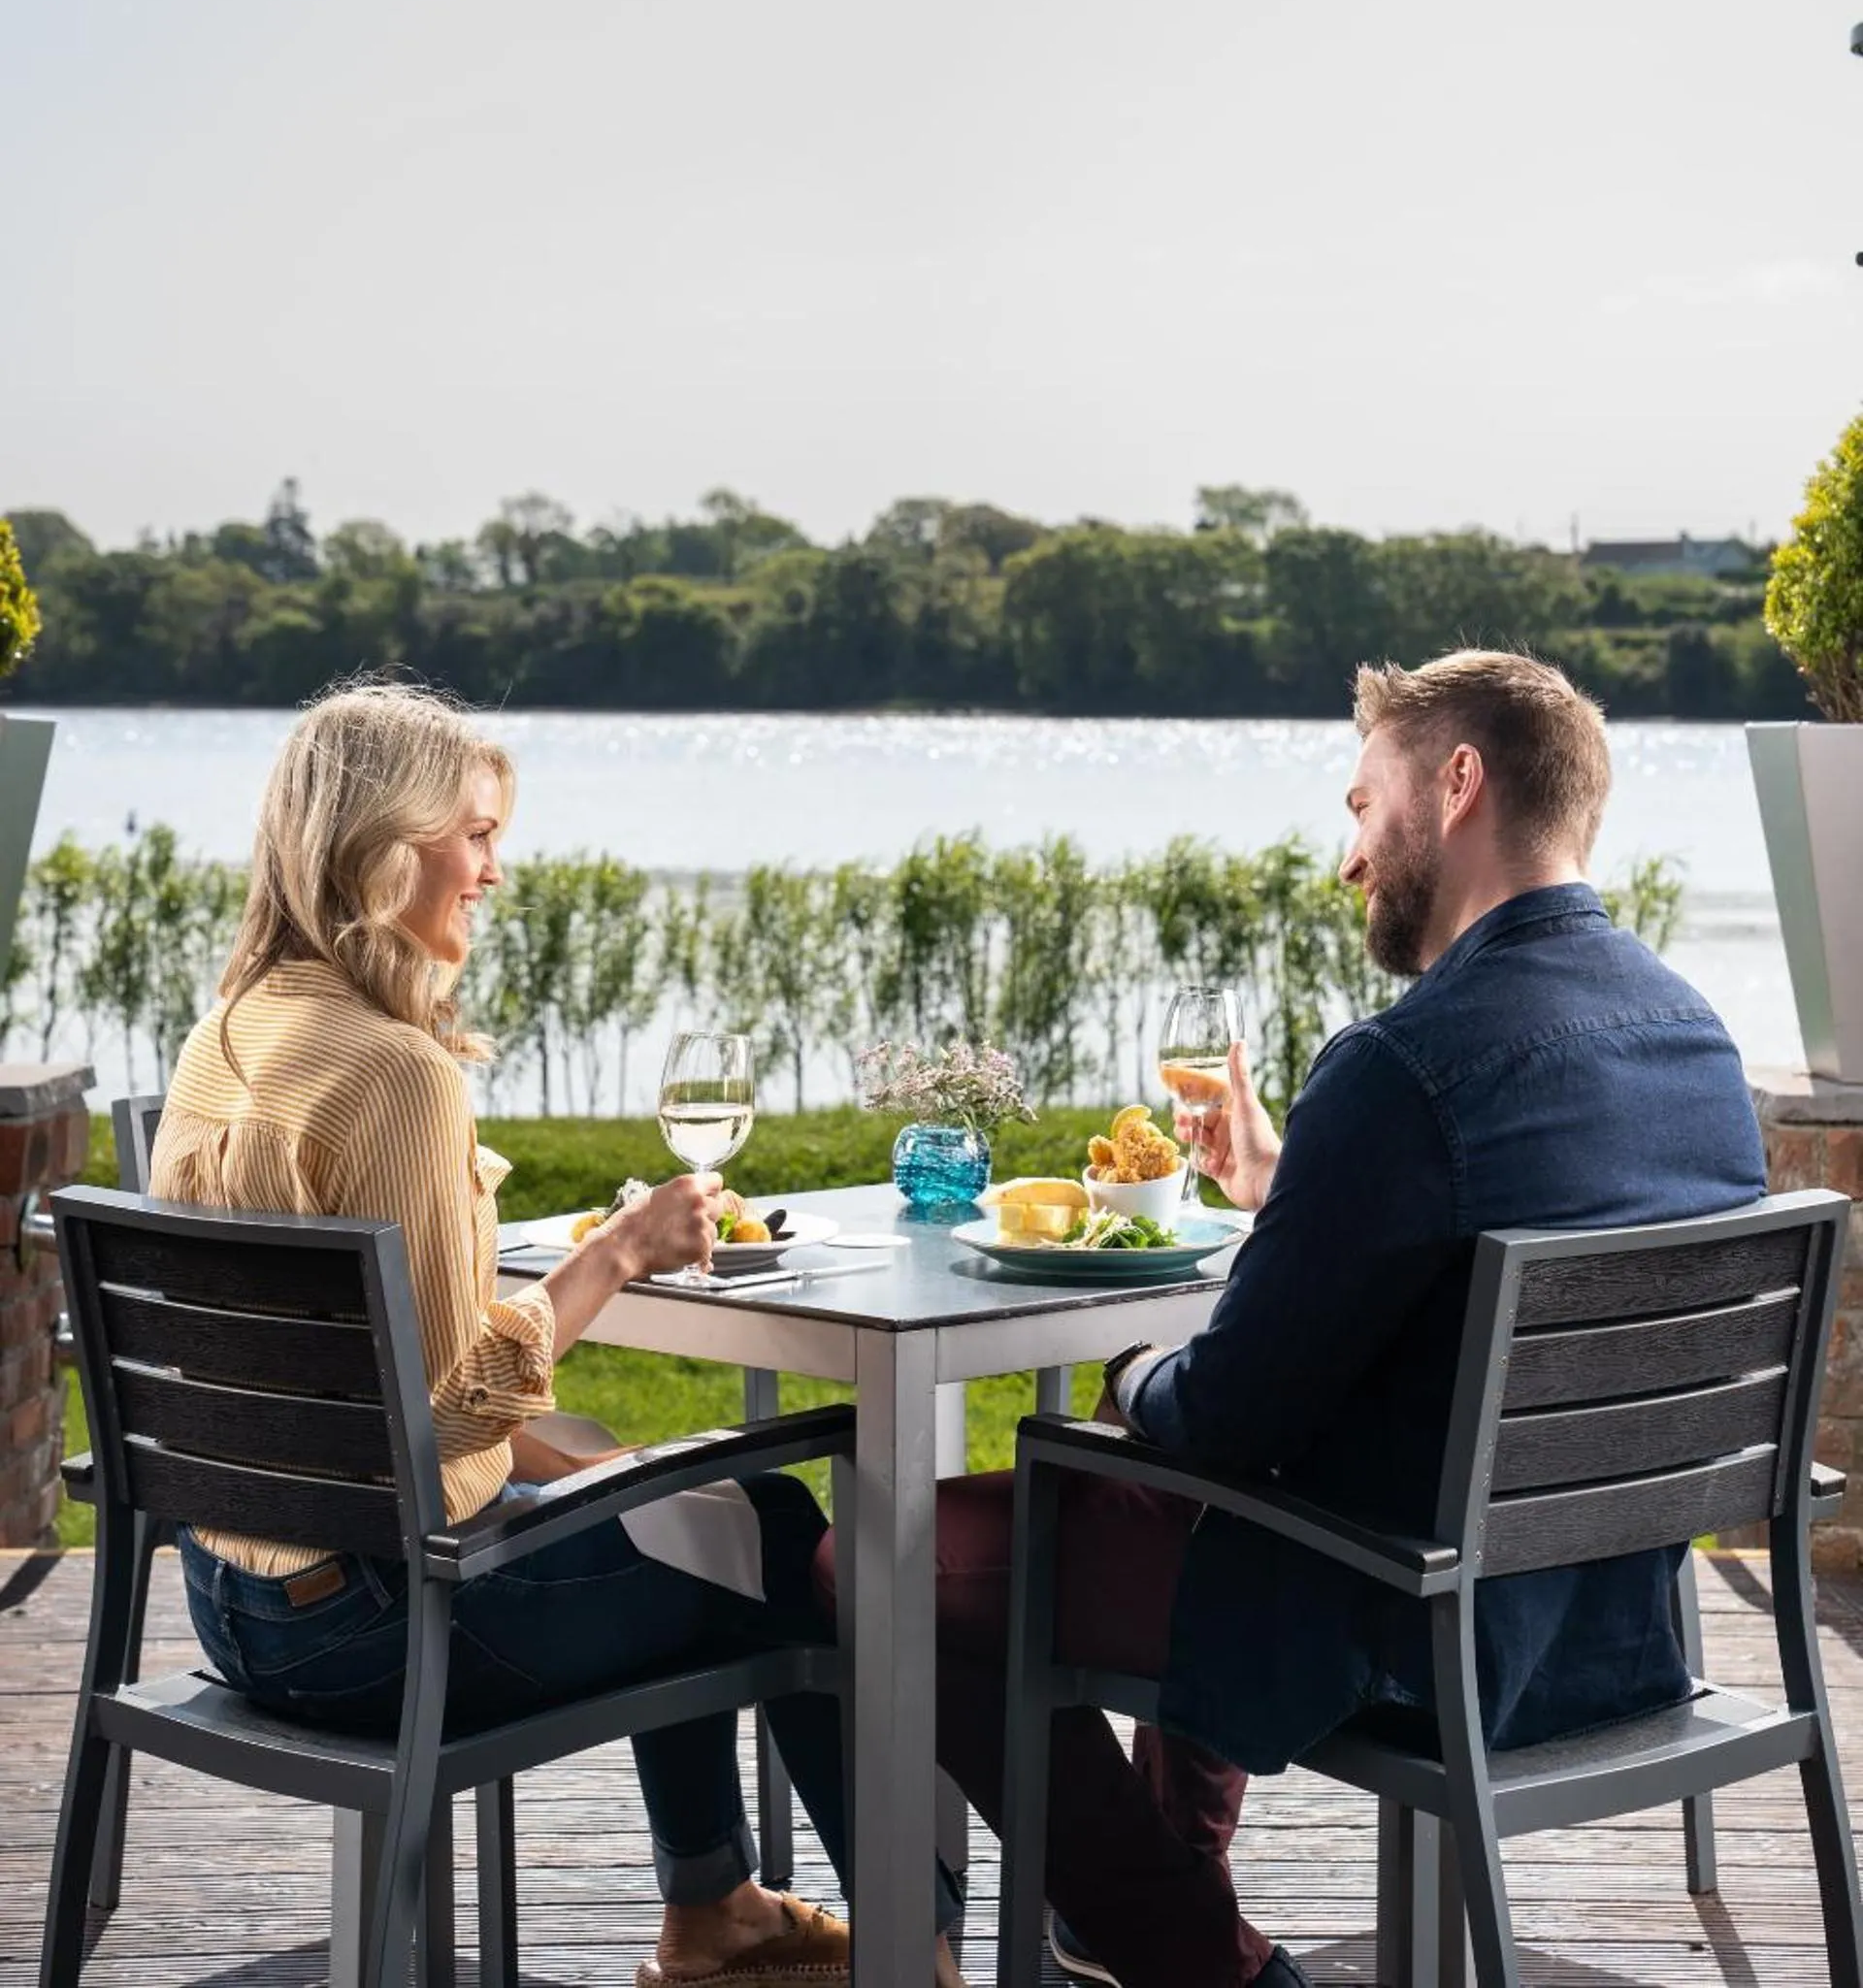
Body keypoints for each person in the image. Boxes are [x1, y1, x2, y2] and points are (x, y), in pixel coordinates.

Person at [825, 650, 1767, 1988]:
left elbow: (1221, 1417)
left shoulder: (1405, 1067)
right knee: (1188, 1489)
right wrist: (1291, 1187)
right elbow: (1471, 1255)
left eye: (1364, 804)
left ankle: (1189, 1953)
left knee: (879, 1558)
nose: (1350, 858)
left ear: (1457, 784)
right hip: (1611, 1629)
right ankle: (1153, 1893)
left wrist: (1134, 1372)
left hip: (1411, 1620)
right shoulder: (1695, 1040)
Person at [151, 679, 894, 1988]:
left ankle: (718, 1909)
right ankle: (914, 1939)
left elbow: (360, 1390)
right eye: (476, 835)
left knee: (659, 1492)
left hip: (231, 1603)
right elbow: (447, 1410)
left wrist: (588, 1451)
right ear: (385, 845)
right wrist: (620, 1252)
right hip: (379, 1633)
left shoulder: (226, 1035)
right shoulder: (399, 1074)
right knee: (774, 1528)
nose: (493, 871)